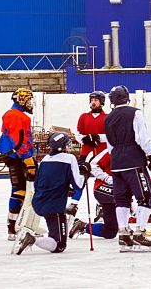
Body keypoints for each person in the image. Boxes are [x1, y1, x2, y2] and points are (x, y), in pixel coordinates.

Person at [104, 85, 151, 252]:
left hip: (116, 163)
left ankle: (123, 234)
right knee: (146, 196)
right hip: (133, 161)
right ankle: (140, 234)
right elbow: (142, 137)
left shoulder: (108, 118)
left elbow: (109, 145)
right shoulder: (135, 113)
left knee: (122, 199)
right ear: (127, 98)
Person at [16, 132, 86, 255]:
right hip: (54, 206)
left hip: (39, 202)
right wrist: (85, 172)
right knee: (59, 245)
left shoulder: (45, 159)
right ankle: (32, 239)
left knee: (54, 231)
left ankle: (38, 238)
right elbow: (78, 184)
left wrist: (64, 188)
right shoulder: (70, 159)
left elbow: (40, 183)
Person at [0, 88, 36, 240]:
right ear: (21, 100)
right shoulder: (15, 115)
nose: (30, 103)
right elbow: (19, 141)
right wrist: (29, 160)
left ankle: (22, 224)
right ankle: (13, 227)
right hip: (17, 158)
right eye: (28, 99)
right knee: (19, 191)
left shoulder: (18, 115)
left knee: (27, 191)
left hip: (17, 157)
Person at [66, 91, 108, 219]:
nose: (93, 102)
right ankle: (74, 203)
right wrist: (85, 139)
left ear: (101, 102)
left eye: (96, 99)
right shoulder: (83, 116)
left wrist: (98, 137)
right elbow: (78, 133)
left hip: (103, 154)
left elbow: (111, 135)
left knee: (103, 179)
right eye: (91, 99)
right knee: (80, 178)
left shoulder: (108, 117)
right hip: (87, 153)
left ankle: (102, 204)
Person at [69, 147, 118, 240]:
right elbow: (93, 165)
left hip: (118, 190)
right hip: (104, 189)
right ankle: (82, 226)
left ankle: (125, 227)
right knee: (110, 231)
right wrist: (108, 178)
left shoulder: (133, 152)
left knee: (114, 226)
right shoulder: (111, 150)